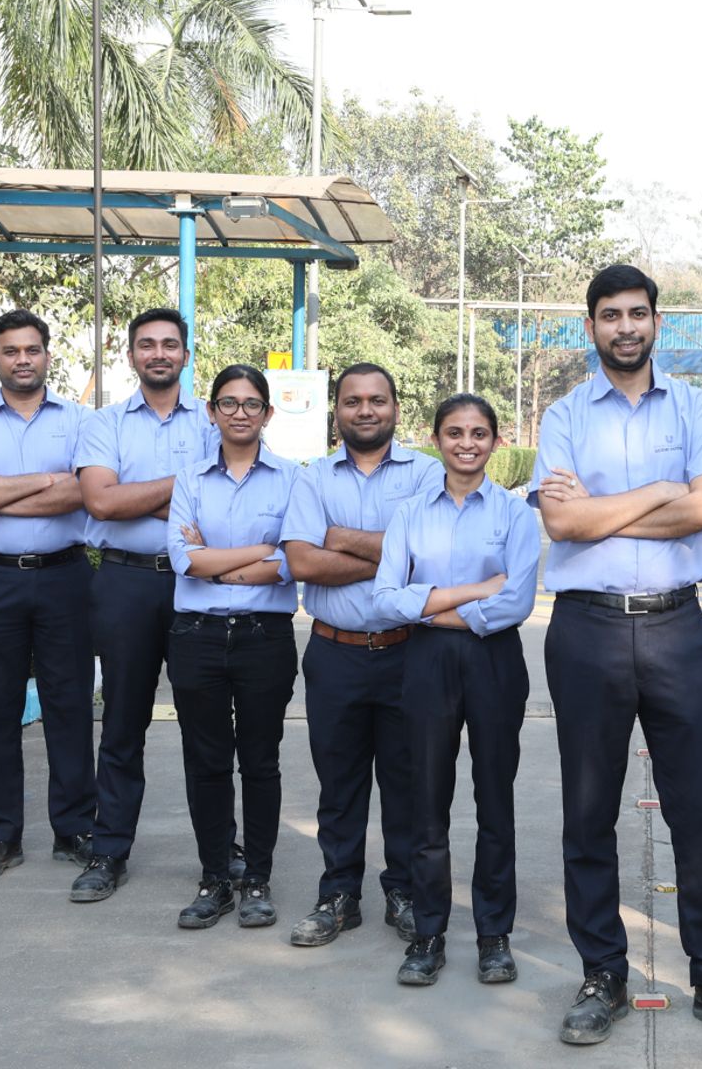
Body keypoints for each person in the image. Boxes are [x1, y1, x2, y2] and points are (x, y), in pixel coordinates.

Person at [533, 264, 702, 1047]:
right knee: (589, 809)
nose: (626, 327)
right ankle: (602, 973)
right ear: (591, 327)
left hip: (677, 626)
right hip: (587, 631)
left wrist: (607, 511)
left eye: (638, 314)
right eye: (611, 316)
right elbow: (564, 527)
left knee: (699, 807)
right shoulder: (564, 415)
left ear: (657, 322)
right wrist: (654, 496)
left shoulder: (695, 409)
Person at [372, 394, 540, 987]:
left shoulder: (517, 515)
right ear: (436, 439)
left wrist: (429, 603)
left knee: (495, 799)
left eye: (478, 433)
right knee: (426, 800)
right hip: (425, 664)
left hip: (495, 662)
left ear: (496, 441)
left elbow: (515, 600)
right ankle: (428, 932)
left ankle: (494, 935)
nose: (466, 443)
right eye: (453, 432)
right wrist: (469, 593)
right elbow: (385, 598)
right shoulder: (412, 513)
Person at [281, 363, 444, 947]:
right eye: (353, 401)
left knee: (407, 781)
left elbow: (430, 558)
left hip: (409, 653)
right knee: (339, 782)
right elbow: (301, 562)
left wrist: (341, 537)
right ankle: (338, 895)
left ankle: (401, 890)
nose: (366, 410)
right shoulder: (313, 478)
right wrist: (392, 553)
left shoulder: (429, 474)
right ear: (337, 411)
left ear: (396, 408)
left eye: (377, 400)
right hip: (335, 654)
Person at [0, 309, 95, 882]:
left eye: (32, 350)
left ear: (48, 355)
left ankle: (75, 827)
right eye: (11, 351)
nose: (22, 360)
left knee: (70, 706)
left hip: (64, 576)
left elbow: (86, 492)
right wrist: (43, 481)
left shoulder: (80, 420)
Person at [69, 308, 218, 904]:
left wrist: (140, 495)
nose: (159, 353)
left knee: (206, 726)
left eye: (170, 345)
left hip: (198, 587)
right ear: (131, 355)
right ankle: (109, 850)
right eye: (147, 345)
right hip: (126, 584)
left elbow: (225, 506)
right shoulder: (103, 424)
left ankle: (219, 853)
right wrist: (183, 487)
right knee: (123, 723)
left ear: (186, 355)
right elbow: (101, 504)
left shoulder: (214, 420)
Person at [162, 364, 299, 930]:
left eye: (251, 403)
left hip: (264, 639)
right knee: (207, 762)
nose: (239, 412)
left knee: (261, 762)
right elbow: (183, 559)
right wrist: (257, 551)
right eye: (228, 403)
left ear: (267, 414)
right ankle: (215, 876)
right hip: (195, 639)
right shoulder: (189, 478)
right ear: (213, 412)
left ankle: (258, 879)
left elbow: (293, 562)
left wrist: (218, 562)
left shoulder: (294, 479)